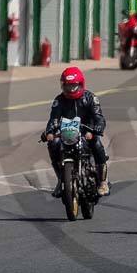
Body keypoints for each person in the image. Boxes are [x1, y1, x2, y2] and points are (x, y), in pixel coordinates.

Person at [41, 66, 110, 198]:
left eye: (74, 86)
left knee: (96, 144)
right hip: (67, 131)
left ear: (81, 84)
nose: (71, 89)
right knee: (53, 144)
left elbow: (99, 117)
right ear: (63, 85)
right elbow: (53, 119)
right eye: (68, 86)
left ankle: (102, 182)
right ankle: (61, 179)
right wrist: (49, 131)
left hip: (87, 131)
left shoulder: (90, 98)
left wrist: (98, 128)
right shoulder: (59, 100)